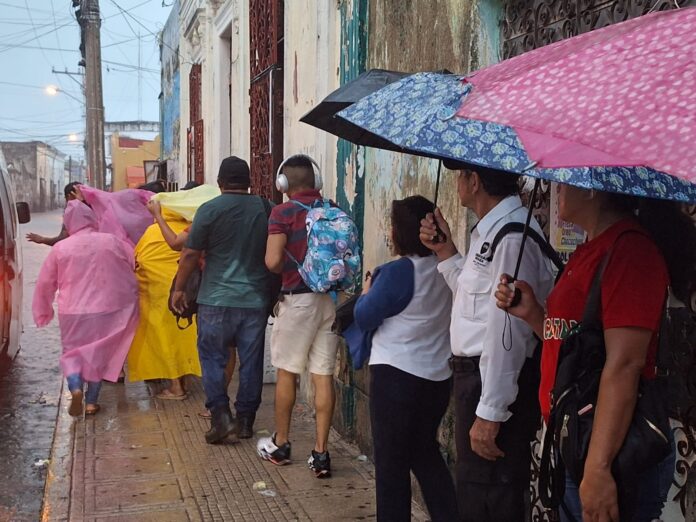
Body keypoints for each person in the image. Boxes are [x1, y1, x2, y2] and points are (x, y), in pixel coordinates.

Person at [495, 186, 696, 521]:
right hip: (577, 438)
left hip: (608, 447)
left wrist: (599, 468)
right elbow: (575, 348)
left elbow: (625, 364)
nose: (557, 190)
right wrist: (531, 313)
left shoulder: (630, 250)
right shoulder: (590, 249)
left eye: (564, 183)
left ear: (590, 190)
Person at [419, 166, 554, 521]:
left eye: (460, 175)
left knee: (489, 496)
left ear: (474, 181)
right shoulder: (489, 231)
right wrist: (446, 251)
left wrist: (491, 411)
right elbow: (474, 305)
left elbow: (506, 330)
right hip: (474, 379)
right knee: (476, 492)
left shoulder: (512, 236)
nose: (457, 184)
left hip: (489, 382)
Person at [351, 196, 458, 521]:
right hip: (437, 378)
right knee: (425, 454)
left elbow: (365, 315)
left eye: (393, 225)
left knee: (391, 466)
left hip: (396, 378)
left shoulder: (399, 272)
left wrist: (367, 291)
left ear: (403, 232)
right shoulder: (448, 265)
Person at [172, 156, 270, 444]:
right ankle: (245, 422)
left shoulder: (209, 209)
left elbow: (190, 254)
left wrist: (179, 288)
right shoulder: (266, 208)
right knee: (251, 362)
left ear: (220, 183)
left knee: (213, 359)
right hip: (254, 299)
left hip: (214, 300)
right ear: (250, 182)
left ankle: (220, 417)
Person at [257, 154, 339, 478]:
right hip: (330, 301)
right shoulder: (332, 211)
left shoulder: (283, 212)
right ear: (316, 182)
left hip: (298, 301)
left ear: (283, 184)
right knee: (322, 375)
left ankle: (281, 444)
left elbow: (272, 261)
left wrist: (292, 263)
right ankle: (321, 454)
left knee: (287, 372)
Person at [32, 201, 139, 416]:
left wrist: (43, 311)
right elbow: (132, 263)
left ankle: (75, 387)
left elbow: (45, 283)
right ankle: (91, 402)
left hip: (72, 311)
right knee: (98, 355)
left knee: (72, 354)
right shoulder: (112, 241)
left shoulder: (61, 248)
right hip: (108, 309)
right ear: (92, 219)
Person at [127, 205, 202, 399]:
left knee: (165, 340)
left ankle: (176, 387)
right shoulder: (188, 228)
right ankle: (184, 380)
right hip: (185, 293)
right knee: (184, 338)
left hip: (159, 296)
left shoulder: (153, 231)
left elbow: (138, 259)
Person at [26, 181, 82, 245]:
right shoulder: (93, 208)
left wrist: (42, 239)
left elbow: (62, 238)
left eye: (66, 198)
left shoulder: (71, 212)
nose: (66, 202)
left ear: (69, 196)